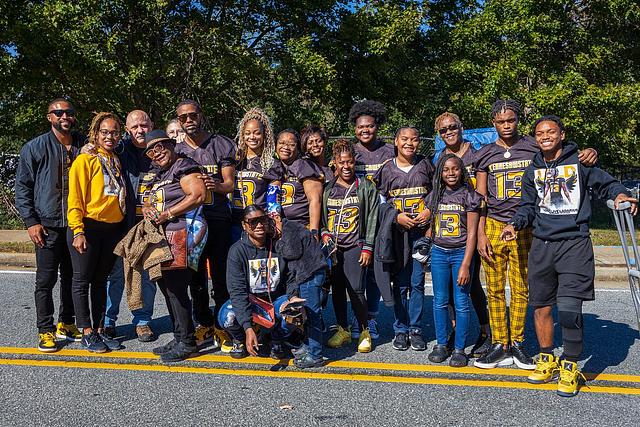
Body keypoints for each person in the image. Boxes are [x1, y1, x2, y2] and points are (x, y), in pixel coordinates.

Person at [501, 115, 637, 396]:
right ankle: (547, 358)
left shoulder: (581, 162)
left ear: (562, 135)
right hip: (541, 245)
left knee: (570, 308)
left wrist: (621, 195)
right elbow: (528, 206)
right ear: (536, 138)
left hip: (574, 244)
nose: (545, 136)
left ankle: (571, 366)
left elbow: (607, 184)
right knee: (540, 307)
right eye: (540, 133)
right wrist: (515, 224)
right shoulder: (532, 170)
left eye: (551, 131)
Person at [474, 100, 598, 370]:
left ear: (518, 120)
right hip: (495, 223)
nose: (506, 126)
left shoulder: (534, 144)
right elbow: (480, 197)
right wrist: (481, 232)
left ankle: (518, 342)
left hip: (529, 225)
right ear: (493, 123)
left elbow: (567, 157)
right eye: (500, 121)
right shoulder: (484, 153)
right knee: (494, 288)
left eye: (511, 120)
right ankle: (499, 343)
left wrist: (588, 152)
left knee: (522, 287)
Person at [15, 97, 85, 352]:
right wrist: (31, 222)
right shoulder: (34, 148)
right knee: (45, 281)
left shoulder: (83, 145)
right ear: (49, 117)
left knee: (72, 278)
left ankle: (66, 323)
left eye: (69, 112)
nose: (64, 116)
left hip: (76, 225)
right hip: (47, 225)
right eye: (58, 113)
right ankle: (45, 330)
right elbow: (22, 188)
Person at [173, 99, 235, 350]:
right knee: (195, 278)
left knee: (220, 276)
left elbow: (230, 184)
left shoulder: (221, 144)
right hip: (190, 222)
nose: (189, 120)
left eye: (193, 115)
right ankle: (205, 324)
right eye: (184, 117)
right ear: (179, 121)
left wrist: (215, 185)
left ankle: (222, 325)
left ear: (201, 115)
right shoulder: (176, 150)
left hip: (217, 217)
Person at [141, 130, 208, 362]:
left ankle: (188, 341)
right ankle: (180, 336)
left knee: (177, 288)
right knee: (167, 287)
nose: (156, 153)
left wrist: (169, 212)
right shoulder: (160, 172)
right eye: (151, 150)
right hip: (165, 235)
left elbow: (197, 195)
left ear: (171, 145)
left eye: (161, 146)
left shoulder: (184, 165)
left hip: (184, 232)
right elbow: (150, 197)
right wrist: (148, 207)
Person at [433, 112, 491, 357]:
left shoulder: (475, 154)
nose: (449, 132)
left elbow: (481, 197)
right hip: (448, 232)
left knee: (471, 284)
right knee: (447, 288)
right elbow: (435, 196)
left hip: (470, 228)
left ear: (461, 127)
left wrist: (480, 233)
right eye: (443, 130)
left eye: (452, 127)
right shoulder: (439, 158)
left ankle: (486, 332)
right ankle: (455, 333)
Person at [67, 112, 126, 353]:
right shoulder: (85, 160)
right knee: (82, 280)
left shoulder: (115, 159)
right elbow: (75, 198)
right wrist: (78, 231)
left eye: (114, 132)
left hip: (111, 230)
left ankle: (100, 328)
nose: (109, 136)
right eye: (104, 132)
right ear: (95, 133)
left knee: (101, 281)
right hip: (89, 227)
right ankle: (86, 331)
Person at [373, 126, 434, 351]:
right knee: (399, 284)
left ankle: (416, 328)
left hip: (420, 234)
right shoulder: (386, 169)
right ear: (396, 141)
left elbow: (437, 191)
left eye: (414, 139)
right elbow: (378, 202)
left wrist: (429, 210)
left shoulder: (426, 165)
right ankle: (400, 328)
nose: (409, 143)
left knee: (417, 283)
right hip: (396, 235)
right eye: (405, 139)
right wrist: (396, 216)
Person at [103, 110, 157, 342]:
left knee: (146, 276)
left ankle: (143, 321)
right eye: (134, 127)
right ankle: (107, 322)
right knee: (113, 275)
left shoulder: (160, 149)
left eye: (144, 125)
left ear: (151, 125)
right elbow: (98, 144)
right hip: (119, 222)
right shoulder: (119, 149)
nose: (140, 130)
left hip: (149, 225)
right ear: (127, 130)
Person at [425, 154, 483, 367]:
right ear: (440, 172)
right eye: (446, 169)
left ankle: (459, 348)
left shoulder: (470, 196)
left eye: (455, 169)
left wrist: (466, 264)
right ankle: (441, 344)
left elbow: (472, 234)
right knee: (439, 300)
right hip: (439, 252)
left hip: (460, 253)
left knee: (460, 302)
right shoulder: (435, 196)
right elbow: (430, 223)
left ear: (462, 171)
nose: (451, 173)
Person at [321, 139, 379, 353]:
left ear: (355, 162)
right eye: (341, 162)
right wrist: (324, 233)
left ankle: (364, 330)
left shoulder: (365, 187)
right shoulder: (328, 189)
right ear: (334, 163)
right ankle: (343, 329)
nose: (346, 167)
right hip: (335, 248)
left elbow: (372, 218)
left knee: (356, 290)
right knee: (337, 290)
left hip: (355, 245)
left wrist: (368, 247)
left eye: (349, 162)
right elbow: (322, 219)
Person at [219, 205, 295, 359]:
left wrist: (292, 298)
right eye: (253, 222)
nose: (259, 225)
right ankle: (240, 339)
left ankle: (276, 338)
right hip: (252, 302)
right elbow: (237, 291)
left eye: (262, 220)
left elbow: (292, 277)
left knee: (294, 311)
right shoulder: (237, 251)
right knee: (228, 317)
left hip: (276, 301)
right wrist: (247, 327)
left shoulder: (279, 245)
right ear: (244, 226)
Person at [348, 100, 395, 339]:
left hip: (382, 219)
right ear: (354, 129)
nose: (365, 130)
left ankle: (372, 318)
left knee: (377, 271)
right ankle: (358, 317)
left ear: (377, 126)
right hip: (356, 219)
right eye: (360, 127)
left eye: (370, 126)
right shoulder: (351, 152)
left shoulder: (389, 151)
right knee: (358, 271)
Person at [273, 214, 328, 368]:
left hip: (310, 273)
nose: (272, 231)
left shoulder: (290, 227)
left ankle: (316, 355)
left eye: (272, 223)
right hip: (309, 273)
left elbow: (292, 252)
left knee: (312, 314)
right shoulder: (290, 228)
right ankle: (309, 347)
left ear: (277, 218)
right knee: (308, 313)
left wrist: (276, 244)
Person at [231, 108, 285, 241]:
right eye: (248, 133)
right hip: (235, 222)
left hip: (259, 224)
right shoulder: (235, 161)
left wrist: (276, 221)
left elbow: (273, 200)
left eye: (257, 133)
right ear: (242, 135)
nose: (252, 137)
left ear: (264, 134)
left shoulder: (271, 164)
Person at [276, 129, 324, 233]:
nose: (285, 147)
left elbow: (315, 200)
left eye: (291, 144)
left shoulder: (303, 166)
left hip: (301, 227)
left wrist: (314, 232)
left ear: (298, 148)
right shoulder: (274, 166)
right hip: (281, 228)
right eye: (281, 143)